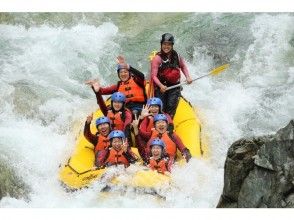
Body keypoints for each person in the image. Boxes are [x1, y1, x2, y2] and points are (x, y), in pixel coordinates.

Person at [151, 33, 193, 118]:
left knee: (170, 108)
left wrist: (188, 77)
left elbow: (183, 66)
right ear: (161, 44)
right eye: (164, 44)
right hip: (161, 87)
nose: (166, 46)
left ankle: (169, 124)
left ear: (172, 45)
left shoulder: (177, 56)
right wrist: (161, 86)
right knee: (161, 108)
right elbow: (154, 76)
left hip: (174, 86)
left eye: (169, 44)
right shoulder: (157, 58)